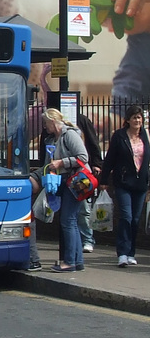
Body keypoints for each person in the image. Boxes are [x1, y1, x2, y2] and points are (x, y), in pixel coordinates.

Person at [38, 108, 89, 272]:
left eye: (46, 123)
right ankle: (77, 261)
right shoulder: (52, 139)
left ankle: (69, 262)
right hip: (65, 182)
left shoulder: (70, 135)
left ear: (52, 121)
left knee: (68, 221)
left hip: (76, 182)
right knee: (70, 221)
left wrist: (61, 163)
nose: (45, 127)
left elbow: (83, 157)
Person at [98, 104, 149, 268]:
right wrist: (103, 180)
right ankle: (122, 253)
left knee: (135, 219)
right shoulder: (119, 136)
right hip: (123, 183)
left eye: (139, 117)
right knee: (126, 217)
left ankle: (131, 253)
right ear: (127, 120)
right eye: (134, 117)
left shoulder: (145, 136)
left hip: (140, 184)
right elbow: (110, 159)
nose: (137, 120)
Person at [75, 113, 103, 253]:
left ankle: (87, 239)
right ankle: (75, 240)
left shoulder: (82, 120)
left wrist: (97, 163)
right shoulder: (55, 121)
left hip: (83, 172)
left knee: (84, 209)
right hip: (64, 172)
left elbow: (93, 141)